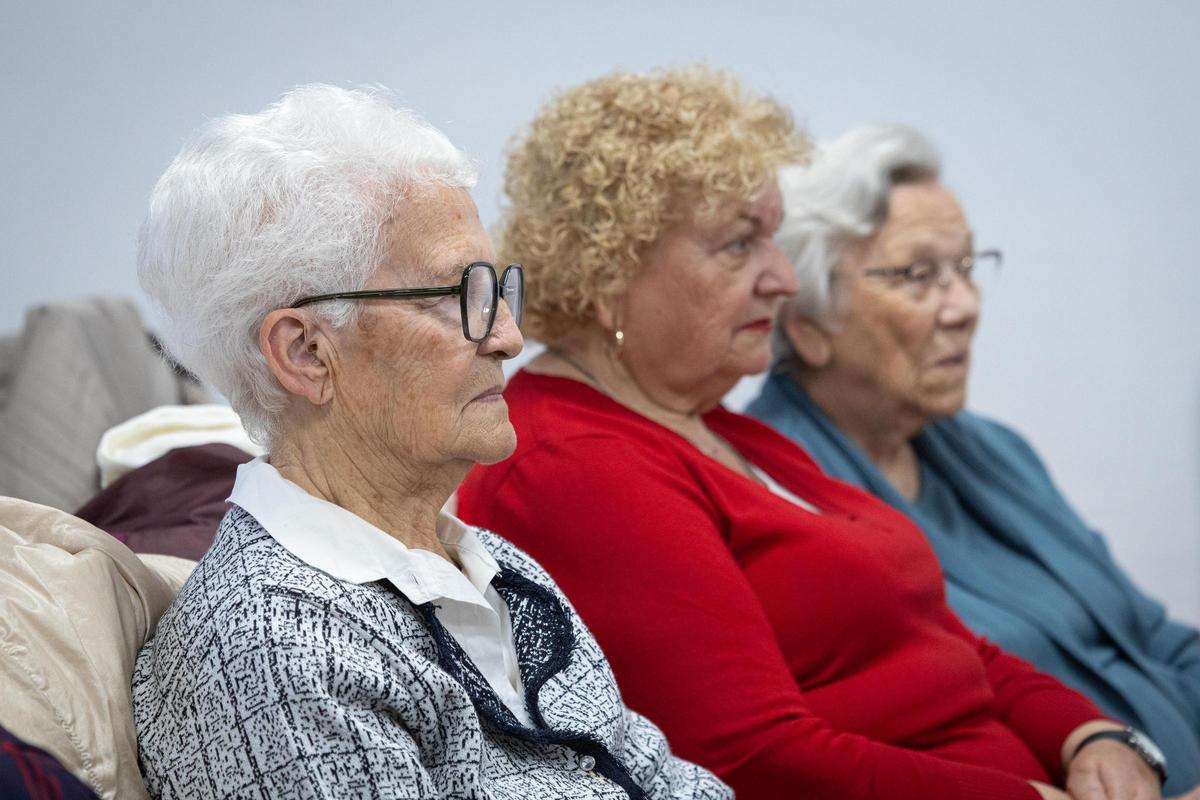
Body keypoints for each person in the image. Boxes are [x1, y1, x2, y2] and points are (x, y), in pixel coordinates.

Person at [456, 67, 1172, 800]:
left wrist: (1091, 734)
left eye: (773, 237)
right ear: (609, 271)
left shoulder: (718, 426)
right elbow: (748, 761)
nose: (785, 278)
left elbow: (949, 644)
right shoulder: (576, 465)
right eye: (740, 245)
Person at [130, 84, 730, 800]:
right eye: (457, 297)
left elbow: (667, 782)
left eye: (499, 289)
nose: (508, 335)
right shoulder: (272, 652)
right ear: (306, 353)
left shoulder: (497, 570)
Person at [743, 123, 1200, 794]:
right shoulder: (775, 495)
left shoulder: (992, 450)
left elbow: (1154, 639)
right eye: (919, 276)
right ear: (809, 324)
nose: (964, 307)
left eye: (966, 268)